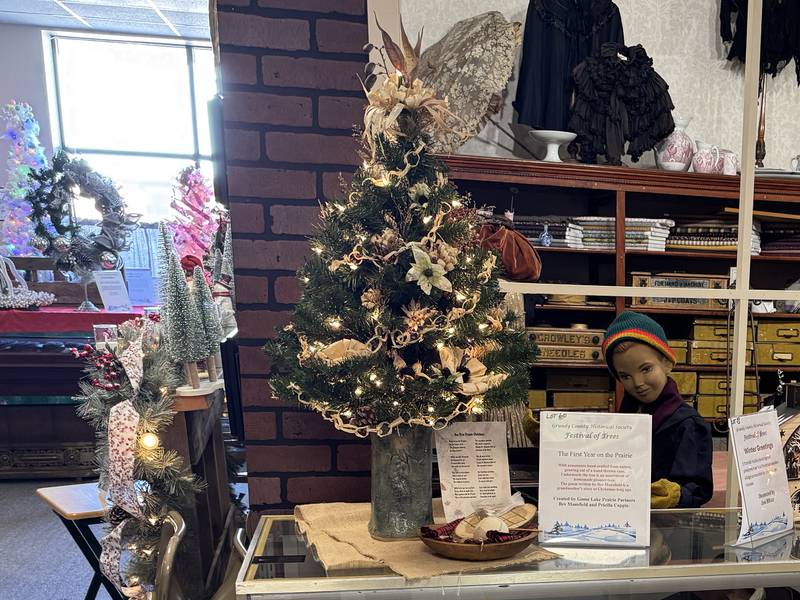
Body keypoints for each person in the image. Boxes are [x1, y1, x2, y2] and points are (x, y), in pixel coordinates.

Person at [602, 311, 713, 508]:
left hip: (669, 529)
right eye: (625, 376)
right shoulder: (621, 422)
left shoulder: (688, 425)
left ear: (668, 363)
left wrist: (677, 494)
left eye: (646, 369)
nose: (638, 383)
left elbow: (698, 489)